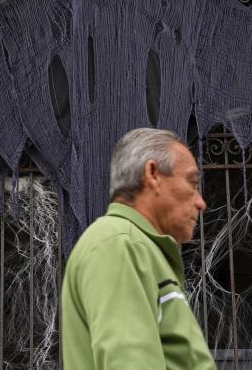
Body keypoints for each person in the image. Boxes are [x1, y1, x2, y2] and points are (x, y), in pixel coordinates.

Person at [61, 128, 216, 370]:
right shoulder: (118, 243)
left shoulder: (138, 247)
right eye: (192, 183)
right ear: (152, 174)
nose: (200, 202)